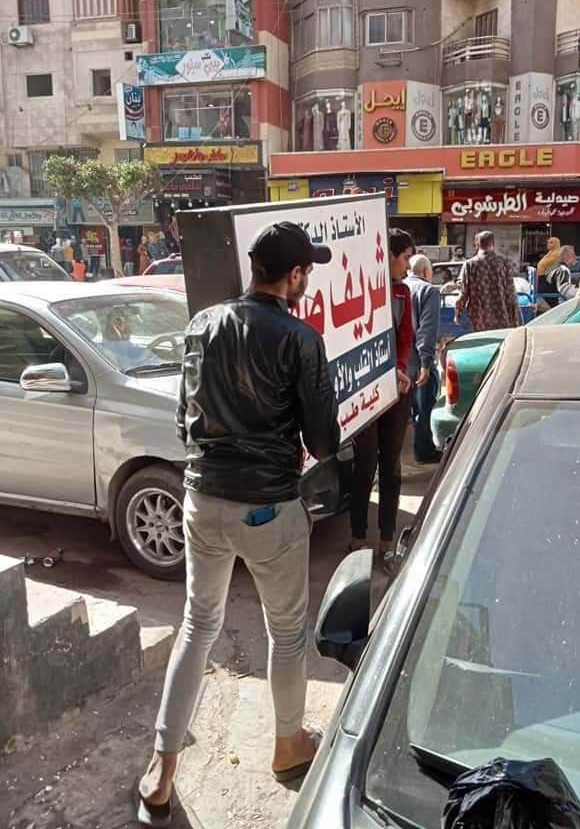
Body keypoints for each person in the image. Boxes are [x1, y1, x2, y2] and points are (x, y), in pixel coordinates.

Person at [137, 222, 340, 826]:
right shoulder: (300, 338)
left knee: (197, 626)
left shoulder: (202, 324)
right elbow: (323, 443)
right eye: (308, 272)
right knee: (287, 632)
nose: (308, 281)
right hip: (268, 508)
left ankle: (160, 772)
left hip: (200, 498)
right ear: (294, 275)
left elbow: (185, 418)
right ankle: (288, 746)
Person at [348, 228, 414, 573]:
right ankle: (357, 539)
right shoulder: (357, 288)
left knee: (391, 467)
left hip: (395, 391)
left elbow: (405, 339)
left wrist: (400, 368)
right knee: (364, 466)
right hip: (363, 393)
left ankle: (387, 543)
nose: (408, 265)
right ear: (387, 256)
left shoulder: (403, 293)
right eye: (405, 258)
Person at [406, 254, 442, 465]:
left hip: (401, 363)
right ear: (427, 271)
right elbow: (426, 331)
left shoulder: (399, 288)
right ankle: (424, 451)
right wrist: (426, 364)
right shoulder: (429, 291)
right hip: (418, 363)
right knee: (424, 408)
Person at [454, 230, 519, 332]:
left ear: (477, 244)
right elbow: (511, 293)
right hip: (502, 318)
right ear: (493, 244)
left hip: (479, 318)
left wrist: (458, 313)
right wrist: (515, 319)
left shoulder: (470, 265)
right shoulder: (504, 263)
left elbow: (463, 293)